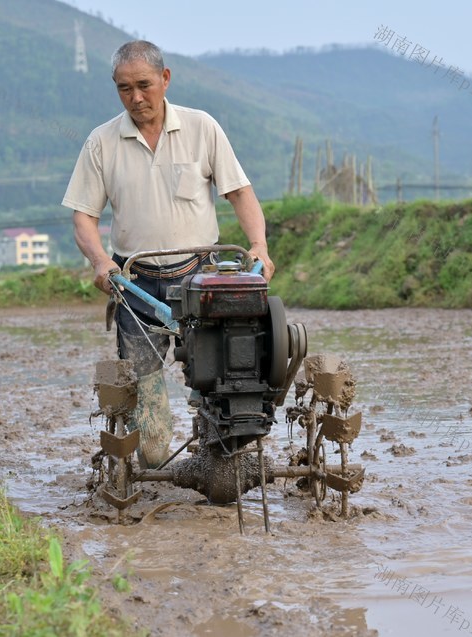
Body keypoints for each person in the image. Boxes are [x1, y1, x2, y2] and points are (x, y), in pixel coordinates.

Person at [63, 40, 274, 469]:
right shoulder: (102, 142)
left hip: (199, 274)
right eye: (124, 89)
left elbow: (239, 192)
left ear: (165, 79)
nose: (136, 97)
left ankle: (221, 451)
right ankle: (156, 452)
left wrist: (259, 247)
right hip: (136, 281)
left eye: (144, 85)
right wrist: (101, 263)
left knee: (223, 370)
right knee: (148, 405)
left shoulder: (201, 127)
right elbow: (83, 217)